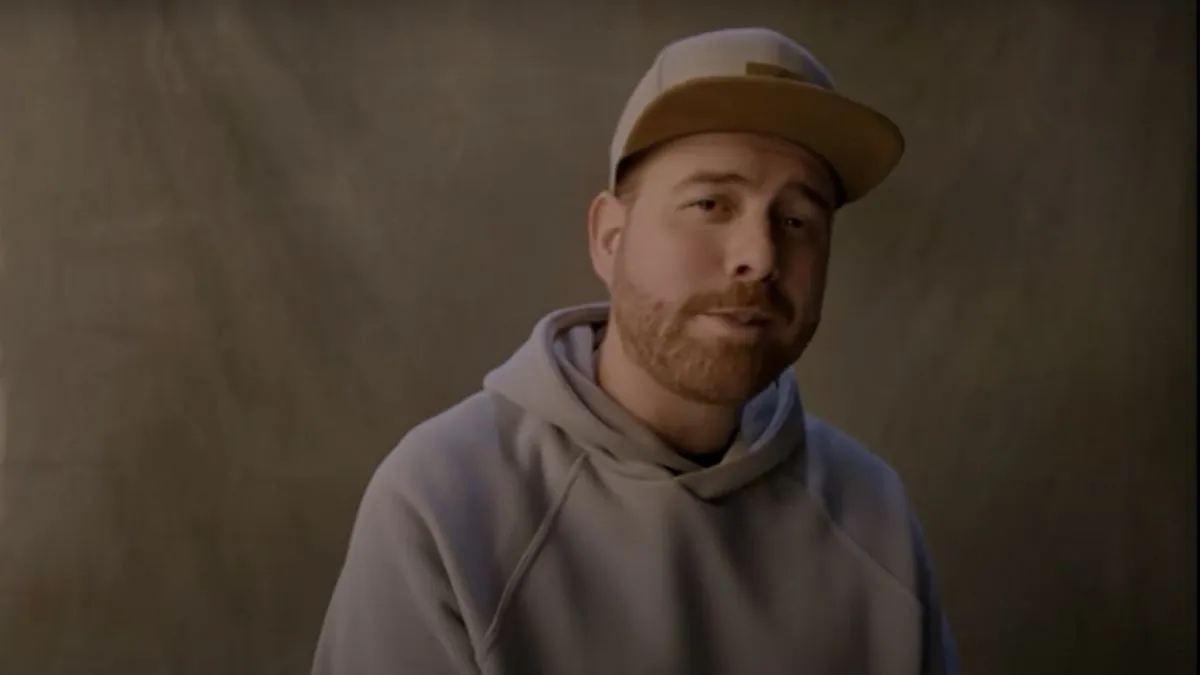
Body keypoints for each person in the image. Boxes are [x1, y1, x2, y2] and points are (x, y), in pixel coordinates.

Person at [313, 27, 959, 675]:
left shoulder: (872, 513)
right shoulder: (444, 501)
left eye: (796, 220)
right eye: (710, 203)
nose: (760, 256)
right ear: (609, 238)